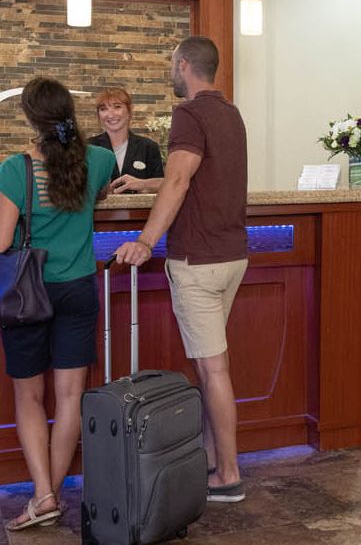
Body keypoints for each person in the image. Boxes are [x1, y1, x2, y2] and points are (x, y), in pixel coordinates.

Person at [0, 77, 115, 531]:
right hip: (78, 288)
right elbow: (100, 195)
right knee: (71, 396)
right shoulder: (100, 159)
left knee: (29, 395)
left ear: (30, 118)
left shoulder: (15, 169)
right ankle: (51, 492)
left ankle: (44, 496)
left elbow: (1, 240)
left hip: (28, 293)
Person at [114, 36, 248, 503]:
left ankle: (228, 475)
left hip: (199, 260)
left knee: (213, 372)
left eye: (172, 63)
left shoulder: (189, 113)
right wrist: (143, 181)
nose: (171, 71)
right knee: (212, 367)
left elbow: (178, 178)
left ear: (185, 64)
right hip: (232, 257)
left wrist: (146, 240)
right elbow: (191, 173)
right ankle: (213, 457)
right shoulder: (230, 113)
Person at [87, 87, 164, 194]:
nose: (110, 114)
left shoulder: (148, 147)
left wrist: (143, 184)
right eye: (103, 109)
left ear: (129, 110)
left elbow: (163, 185)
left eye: (117, 107)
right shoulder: (88, 147)